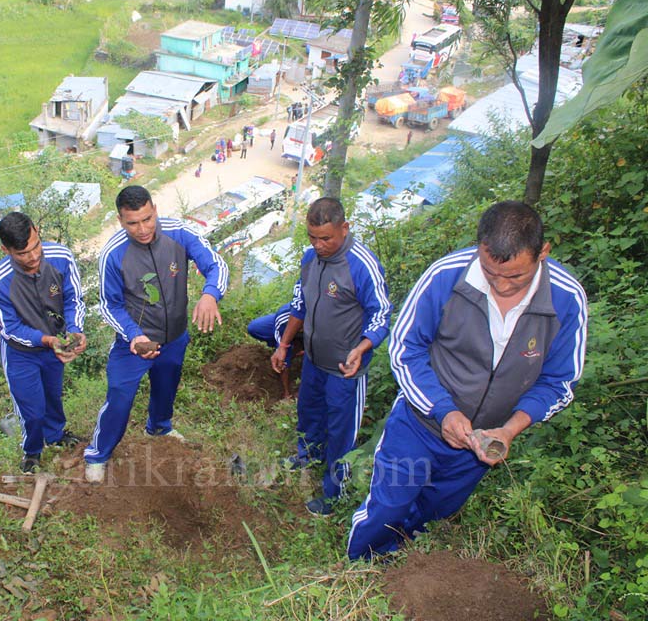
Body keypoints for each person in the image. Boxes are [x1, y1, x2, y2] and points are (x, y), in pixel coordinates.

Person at [347, 201, 588, 560]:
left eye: (516, 277)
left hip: (481, 443)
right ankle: (357, 566)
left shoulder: (566, 299)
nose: (503, 287)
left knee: (436, 511)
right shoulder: (447, 276)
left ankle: (399, 563)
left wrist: (508, 431)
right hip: (420, 424)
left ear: (543, 253)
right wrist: (443, 411)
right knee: (388, 507)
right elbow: (404, 348)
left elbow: (558, 381)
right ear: (480, 249)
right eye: (492, 274)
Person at [84, 186, 228, 483]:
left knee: (167, 385)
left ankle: (159, 426)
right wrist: (134, 336)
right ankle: (98, 454)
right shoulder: (113, 254)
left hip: (174, 336)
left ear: (155, 210)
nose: (142, 229)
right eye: (133, 223)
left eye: (147, 219)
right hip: (134, 343)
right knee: (120, 397)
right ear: (121, 220)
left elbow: (215, 265)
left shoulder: (179, 233)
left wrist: (210, 294)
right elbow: (109, 305)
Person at [272, 197, 391, 515]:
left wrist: (363, 347)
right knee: (308, 410)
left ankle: (335, 492)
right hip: (313, 358)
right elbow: (300, 304)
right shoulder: (310, 259)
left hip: (345, 369)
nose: (319, 244)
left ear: (345, 228)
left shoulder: (361, 264)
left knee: (340, 430)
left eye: (326, 238)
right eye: (313, 237)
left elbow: (380, 313)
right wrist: (284, 344)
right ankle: (307, 454)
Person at [0, 212, 87, 475]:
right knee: (32, 410)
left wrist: (74, 330)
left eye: (35, 246)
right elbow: (10, 328)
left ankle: (55, 436)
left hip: (55, 346)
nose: (32, 257)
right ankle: (31, 452)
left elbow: (73, 300)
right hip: (21, 354)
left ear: (38, 231)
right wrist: (45, 339)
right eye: (22, 253)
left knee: (53, 396)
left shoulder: (61, 258)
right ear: (5, 250)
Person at [247, 303, 300, 399]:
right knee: (254, 328)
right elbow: (283, 356)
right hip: (286, 324)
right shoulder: (285, 319)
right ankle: (286, 392)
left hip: (311, 332)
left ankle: (299, 346)